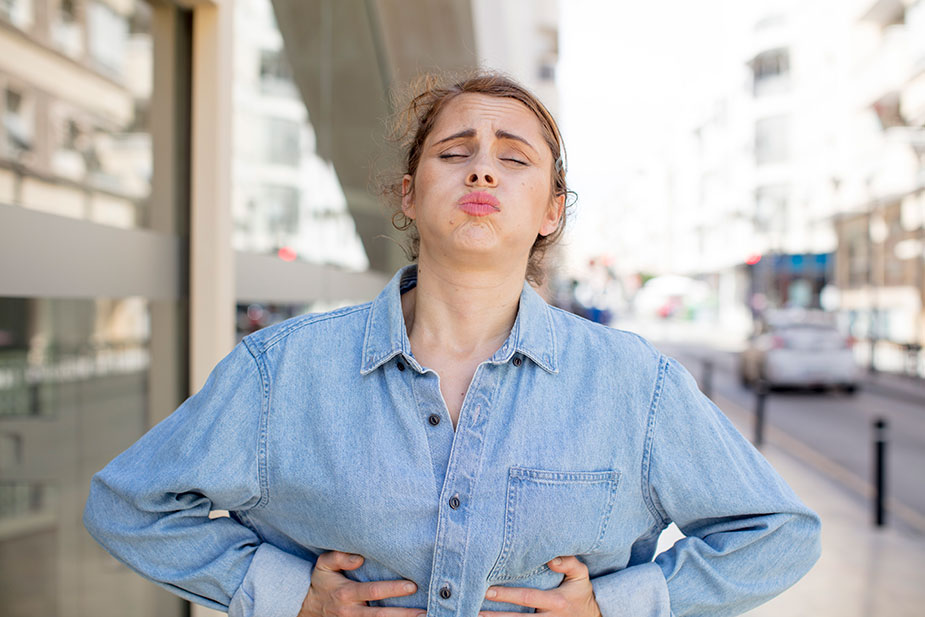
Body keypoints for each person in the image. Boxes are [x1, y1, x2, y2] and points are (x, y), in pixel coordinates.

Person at [84, 71, 821, 617]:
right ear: (408, 194)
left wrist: (615, 606)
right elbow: (130, 504)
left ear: (550, 211)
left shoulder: (634, 383)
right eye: (454, 151)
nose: (481, 167)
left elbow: (777, 531)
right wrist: (286, 597)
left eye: (514, 156)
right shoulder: (283, 371)